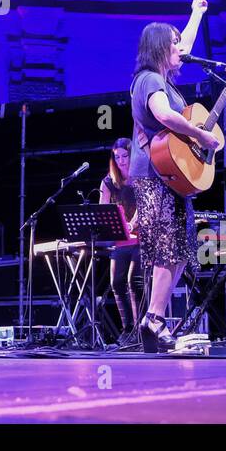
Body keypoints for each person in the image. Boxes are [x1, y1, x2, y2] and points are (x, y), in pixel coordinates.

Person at [129, 0, 226, 352]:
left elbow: (187, 48)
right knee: (167, 249)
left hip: (171, 177)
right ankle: (153, 320)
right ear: (160, 47)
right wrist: (201, 135)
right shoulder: (148, 80)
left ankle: (155, 320)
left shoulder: (166, 80)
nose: (180, 48)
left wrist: (197, 14)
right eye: (173, 43)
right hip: (154, 173)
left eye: (179, 42)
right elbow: (162, 115)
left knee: (179, 250)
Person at [98, 137, 140, 343]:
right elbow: (103, 208)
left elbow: (145, 204)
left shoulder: (141, 177)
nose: (121, 161)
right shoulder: (108, 181)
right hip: (120, 240)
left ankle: (141, 330)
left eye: (125, 156)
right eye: (117, 157)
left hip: (141, 239)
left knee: (135, 281)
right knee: (117, 282)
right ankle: (127, 329)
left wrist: (132, 223)